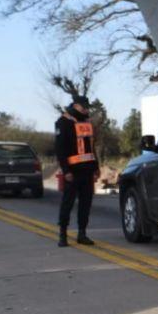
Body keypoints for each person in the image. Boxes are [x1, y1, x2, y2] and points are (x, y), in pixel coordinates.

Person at [55, 94, 100, 247]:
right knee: (67, 203)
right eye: (83, 107)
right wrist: (66, 170)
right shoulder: (63, 122)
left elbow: (91, 147)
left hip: (87, 171)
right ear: (75, 106)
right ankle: (63, 234)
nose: (86, 110)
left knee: (85, 204)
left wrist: (96, 167)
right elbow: (60, 150)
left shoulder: (86, 122)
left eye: (87, 107)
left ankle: (82, 233)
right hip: (72, 172)